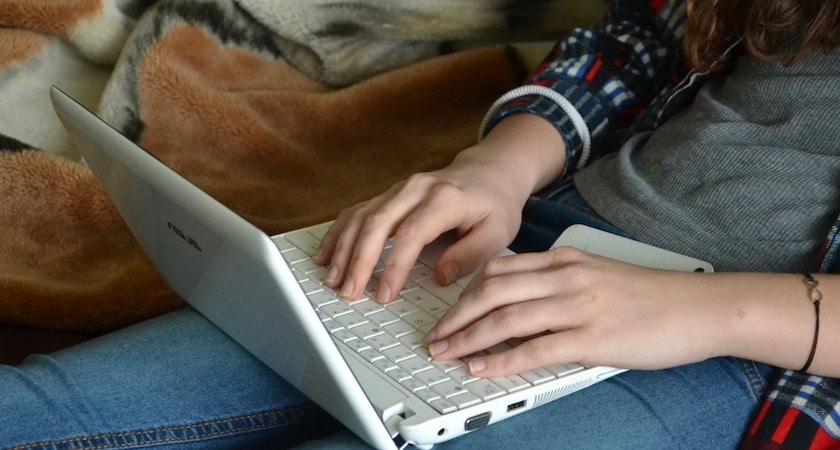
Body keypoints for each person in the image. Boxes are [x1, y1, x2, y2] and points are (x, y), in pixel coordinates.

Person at [1, 0, 838, 449]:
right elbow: (642, 41)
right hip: (543, 236)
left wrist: (695, 311)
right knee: (37, 410)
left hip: (749, 357)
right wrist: (498, 170)